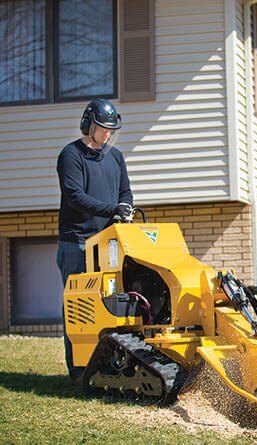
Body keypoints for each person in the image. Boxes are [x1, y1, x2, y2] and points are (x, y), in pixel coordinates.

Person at [56, 98, 133, 383]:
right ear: (88, 124)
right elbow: (75, 197)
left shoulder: (115, 157)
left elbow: (125, 192)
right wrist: (111, 209)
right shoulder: (70, 155)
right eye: (103, 129)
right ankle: (78, 370)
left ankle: (107, 367)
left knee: (108, 305)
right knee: (79, 307)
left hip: (106, 243)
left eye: (111, 130)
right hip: (76, 242)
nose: (108, 135)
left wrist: (123, 208)